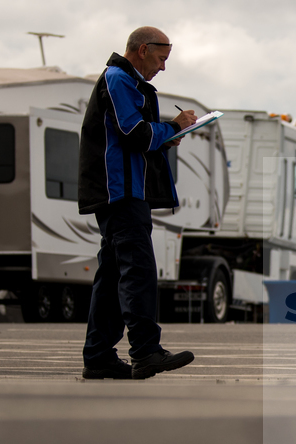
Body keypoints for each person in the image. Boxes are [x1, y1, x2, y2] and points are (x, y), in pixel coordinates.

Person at [78, 26, 196, 380]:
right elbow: (134, 133)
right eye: (161, 58)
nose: (162, 67)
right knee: (138, 271)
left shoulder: (123, 81)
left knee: (113, 275)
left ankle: (98, 357)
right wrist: (171, 128)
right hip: (120, 193)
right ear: (142, 49)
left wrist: (165, 134)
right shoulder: (117, 78)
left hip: (124, 192)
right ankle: (146, 351)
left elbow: (133, 130)